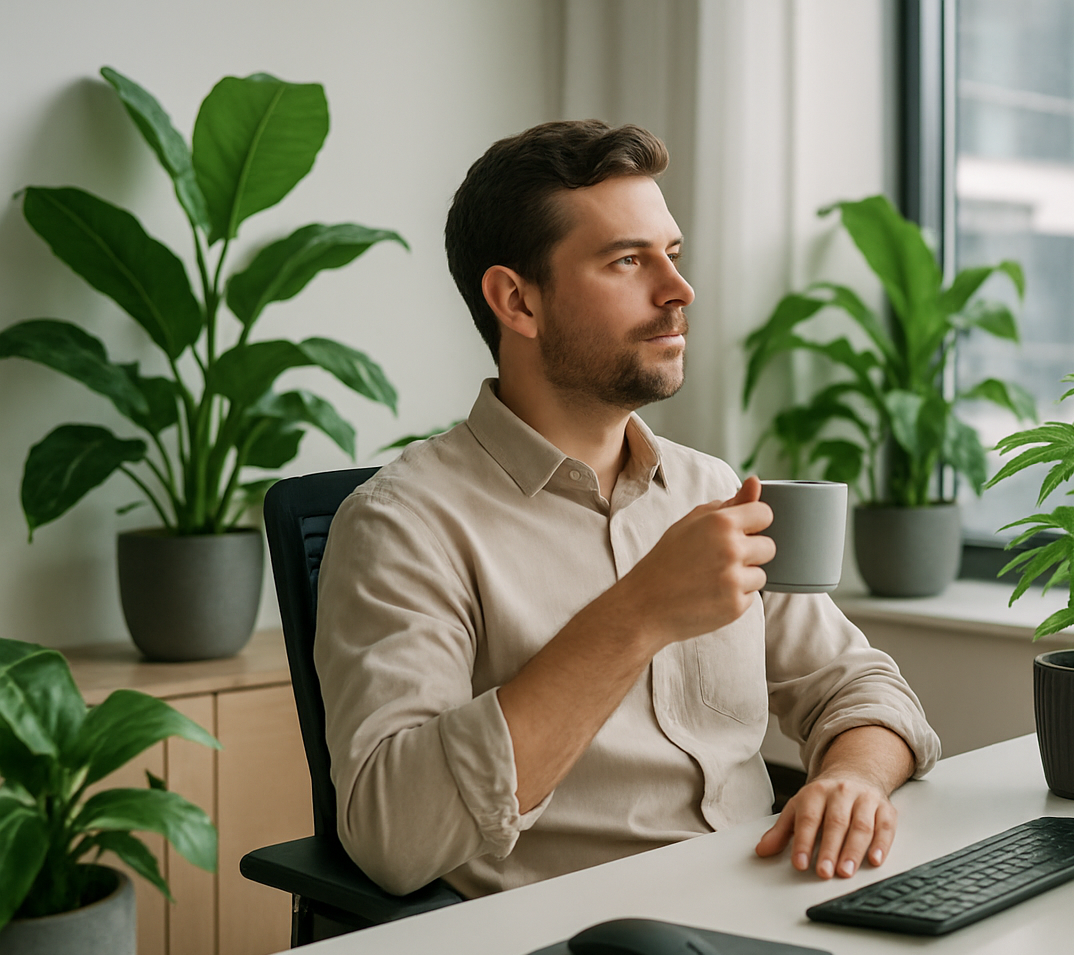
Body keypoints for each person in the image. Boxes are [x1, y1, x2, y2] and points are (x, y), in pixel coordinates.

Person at [314, 120, 940, 899]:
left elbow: (864, 690)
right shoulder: (401, 526)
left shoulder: (714, 490)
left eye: (670, 255)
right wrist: (639, 612)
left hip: (767, 906)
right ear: (518, 301)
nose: (679, 291)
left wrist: (851, 780)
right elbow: (392, 834)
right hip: (571, 951)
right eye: (627, 261)